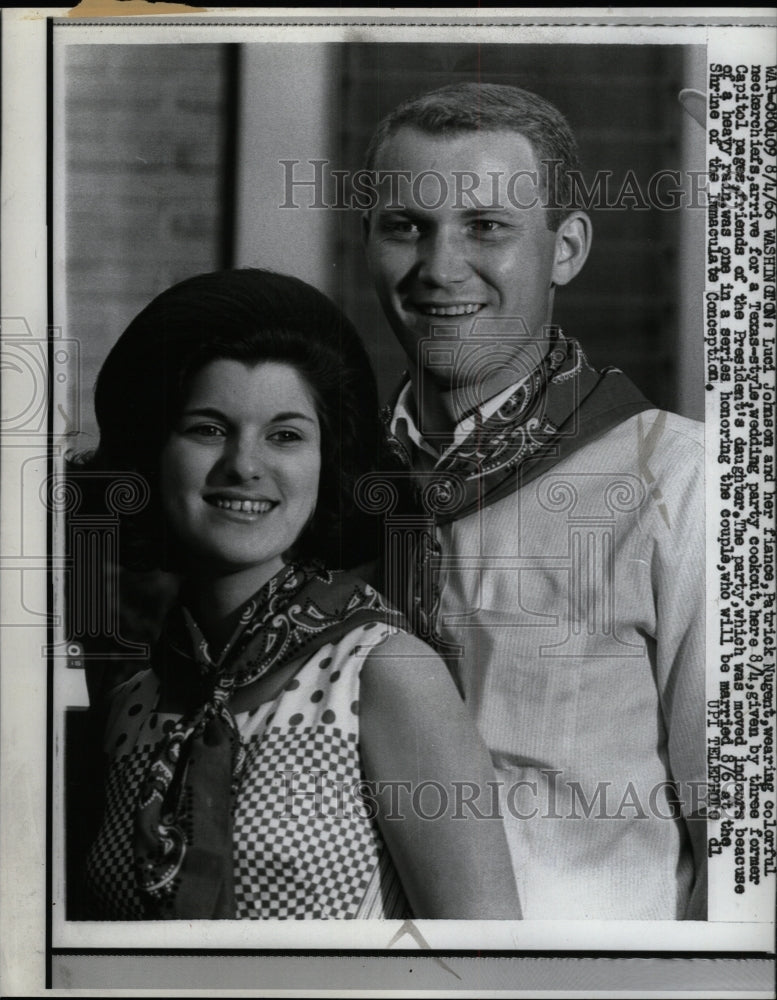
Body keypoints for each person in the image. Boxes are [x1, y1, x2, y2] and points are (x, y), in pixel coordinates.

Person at [361, 82, 706, 920]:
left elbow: (745, 838)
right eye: (407, 225)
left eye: (486, 228)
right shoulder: (327, 486)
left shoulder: (677, 477)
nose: (441, 268)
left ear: (565, 248)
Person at [78, 268, 519, 920]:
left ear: (327, 462)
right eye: (207, 429)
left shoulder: (383, 671)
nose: (244, 465)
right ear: (152, 453)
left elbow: (487, 966)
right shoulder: (131, 704)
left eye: (285, 435)